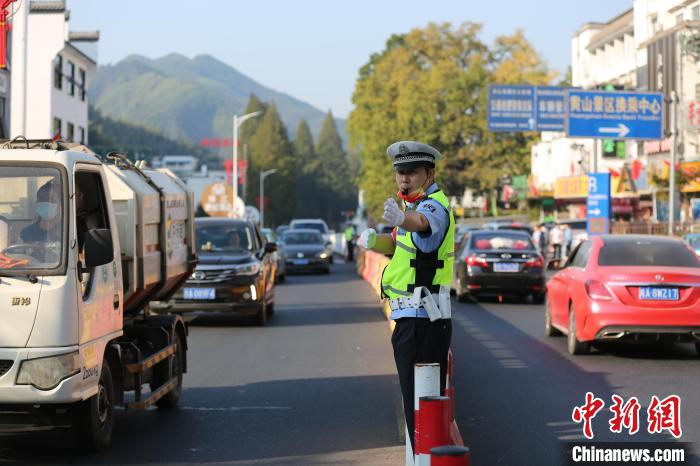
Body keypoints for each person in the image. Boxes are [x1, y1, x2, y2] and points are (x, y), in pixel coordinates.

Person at [357, 141, 454, 452]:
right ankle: (421, 455)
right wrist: (375, 240)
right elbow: (402, 244)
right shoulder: (413, 207)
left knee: (421, 406)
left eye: (412, 172)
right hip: (410, 318)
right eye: (400, 173)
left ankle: (426, 456)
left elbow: (424, 226)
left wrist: (403, 220)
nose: (404, 179)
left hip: (423, 320)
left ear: (429, 173)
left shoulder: (432, 206)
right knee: (416, 404)